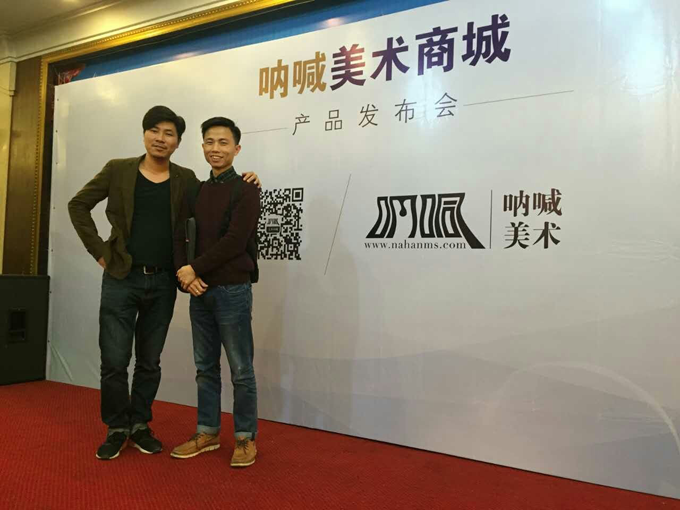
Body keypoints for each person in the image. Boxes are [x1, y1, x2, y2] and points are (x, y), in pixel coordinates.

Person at [68, 106, 260, 460]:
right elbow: (78, 205)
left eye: (169, 133)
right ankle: (117, 427)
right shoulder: (119, 170)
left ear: (178, 142)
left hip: (165, 283)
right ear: (144, 134)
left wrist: (249, 178)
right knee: (114, 360)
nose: (160, 138)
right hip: (122, 279)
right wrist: (101, 253)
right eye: (154, 131)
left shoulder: (186, 180)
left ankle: (141, 424)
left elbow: (222, 219)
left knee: (151, 361)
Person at [171, 117, 260, 468]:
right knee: (205, 368)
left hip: (232, 290)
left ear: (236, 149)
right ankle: (207, 432)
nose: (215, 148)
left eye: (223, 142)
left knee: (241, 369)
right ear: (202, 146)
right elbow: (180, 234)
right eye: (209, 142)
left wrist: (195, 268)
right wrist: (185, 274)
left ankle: (245, 438)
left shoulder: (246, 188)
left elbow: (236, 241)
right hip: (199, 291)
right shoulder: (195, 189)